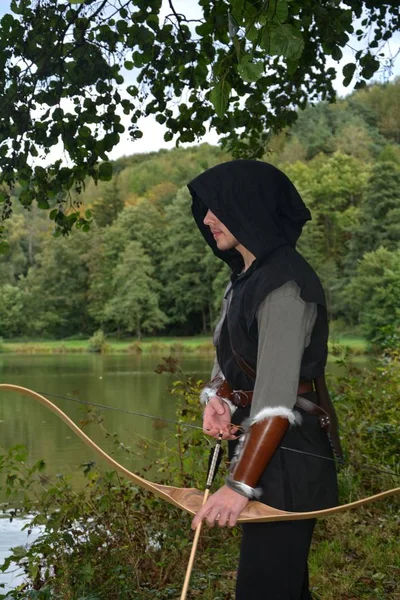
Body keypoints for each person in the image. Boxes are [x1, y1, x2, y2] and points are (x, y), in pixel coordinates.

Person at [187, 160, 341, 600]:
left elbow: (275, 400)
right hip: (266, 454)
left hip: (289, 462)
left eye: (217, 208)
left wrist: (238, 487)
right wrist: (218, 398)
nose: (207, 219)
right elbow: (239, 362)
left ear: (247, 206)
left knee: (264, 589)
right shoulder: (245, 278)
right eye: (205, 210)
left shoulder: (284, 283)